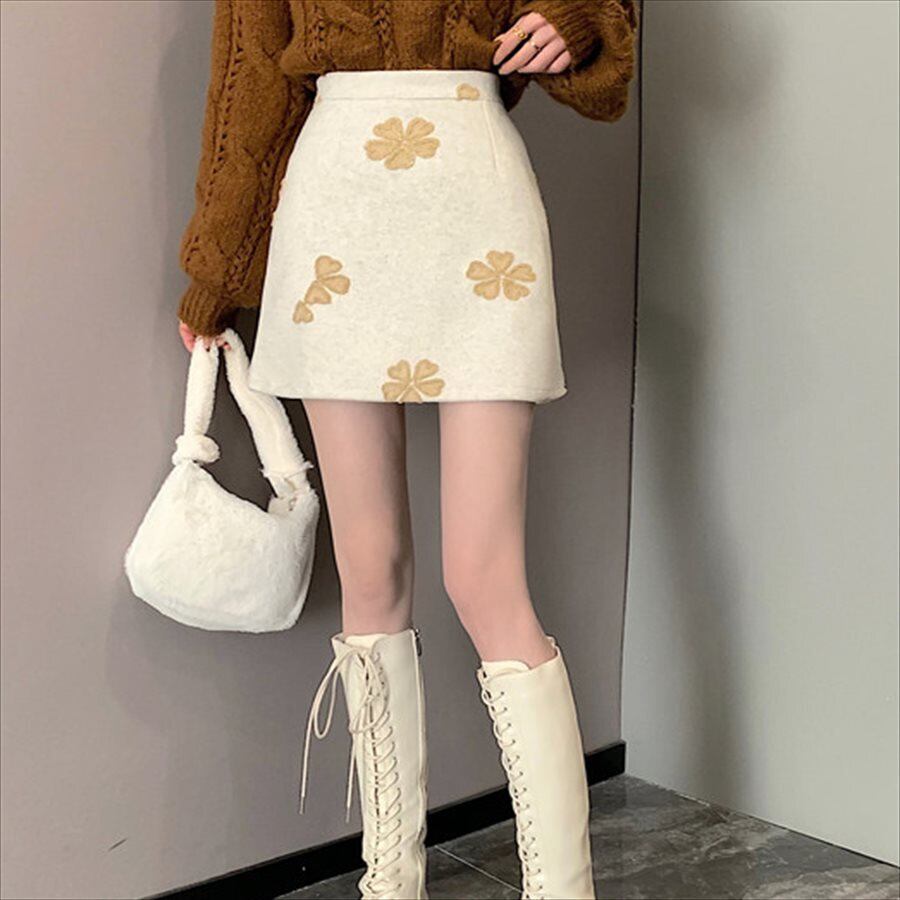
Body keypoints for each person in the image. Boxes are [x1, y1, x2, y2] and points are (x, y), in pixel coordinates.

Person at [176, 2, 638, 898]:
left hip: (478, 198)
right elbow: (251, 84)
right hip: (333, 210)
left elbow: (601, 36)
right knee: (371, 571)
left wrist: (579, 18)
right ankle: (390, 881)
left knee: (485, 578)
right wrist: (217, 275)